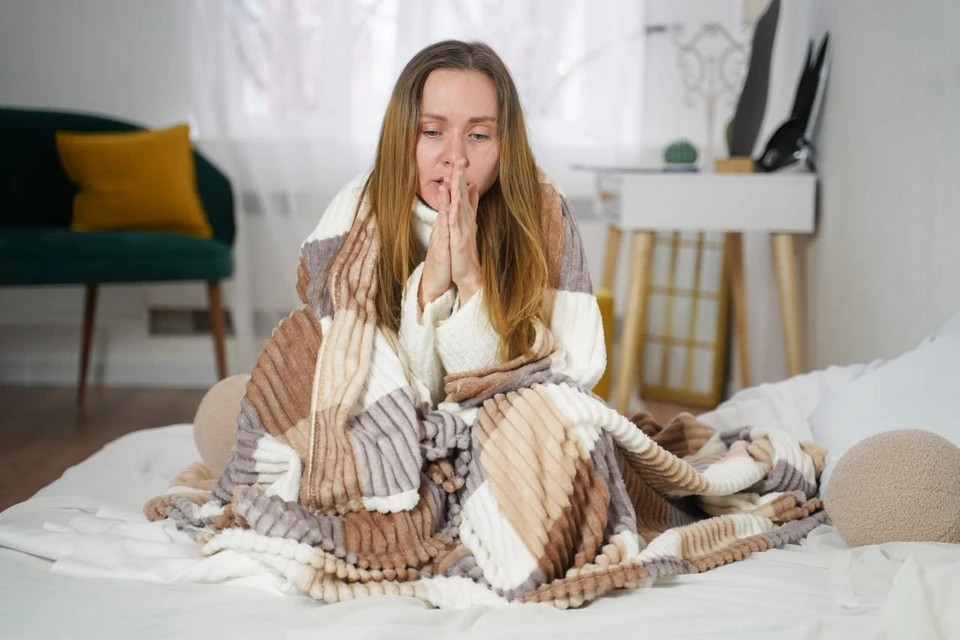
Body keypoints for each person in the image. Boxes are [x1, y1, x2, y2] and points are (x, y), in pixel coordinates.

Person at [321, 39, 606, 408]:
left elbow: (566, 381)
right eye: (432, 132)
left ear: (504, 145)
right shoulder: (356, 210)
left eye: (479, 135)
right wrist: (429, 291)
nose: (455, 158)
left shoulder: (542, 207)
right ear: (402, 136)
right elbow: (385, 399)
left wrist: (470, 277)